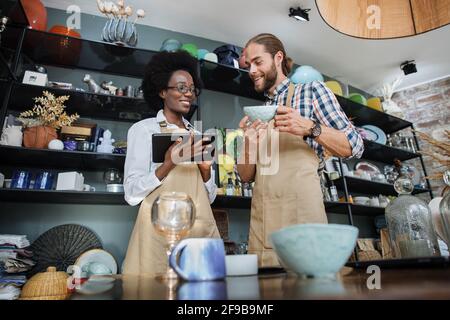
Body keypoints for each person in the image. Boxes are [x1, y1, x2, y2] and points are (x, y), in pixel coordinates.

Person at [237, 33, 364, 267]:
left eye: (258, 62)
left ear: (277, 58)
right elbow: (245, 176)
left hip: (302, 216)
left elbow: (354, 145)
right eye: (249, 65)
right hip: (262, 221)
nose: (252, 70)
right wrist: (249, 143)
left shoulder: (311, 91)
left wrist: (309, 127)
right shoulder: (259, 112)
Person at [122, 50, 220, 276]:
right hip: (158, 233)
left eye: (192, 89)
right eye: (181, 88)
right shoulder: (144, 130)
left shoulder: (199, 136)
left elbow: (211, 197)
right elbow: (131, 194)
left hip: (198, 231)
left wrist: (206, 172)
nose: (189, 94)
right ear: (162, 91)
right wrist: (168, 164)